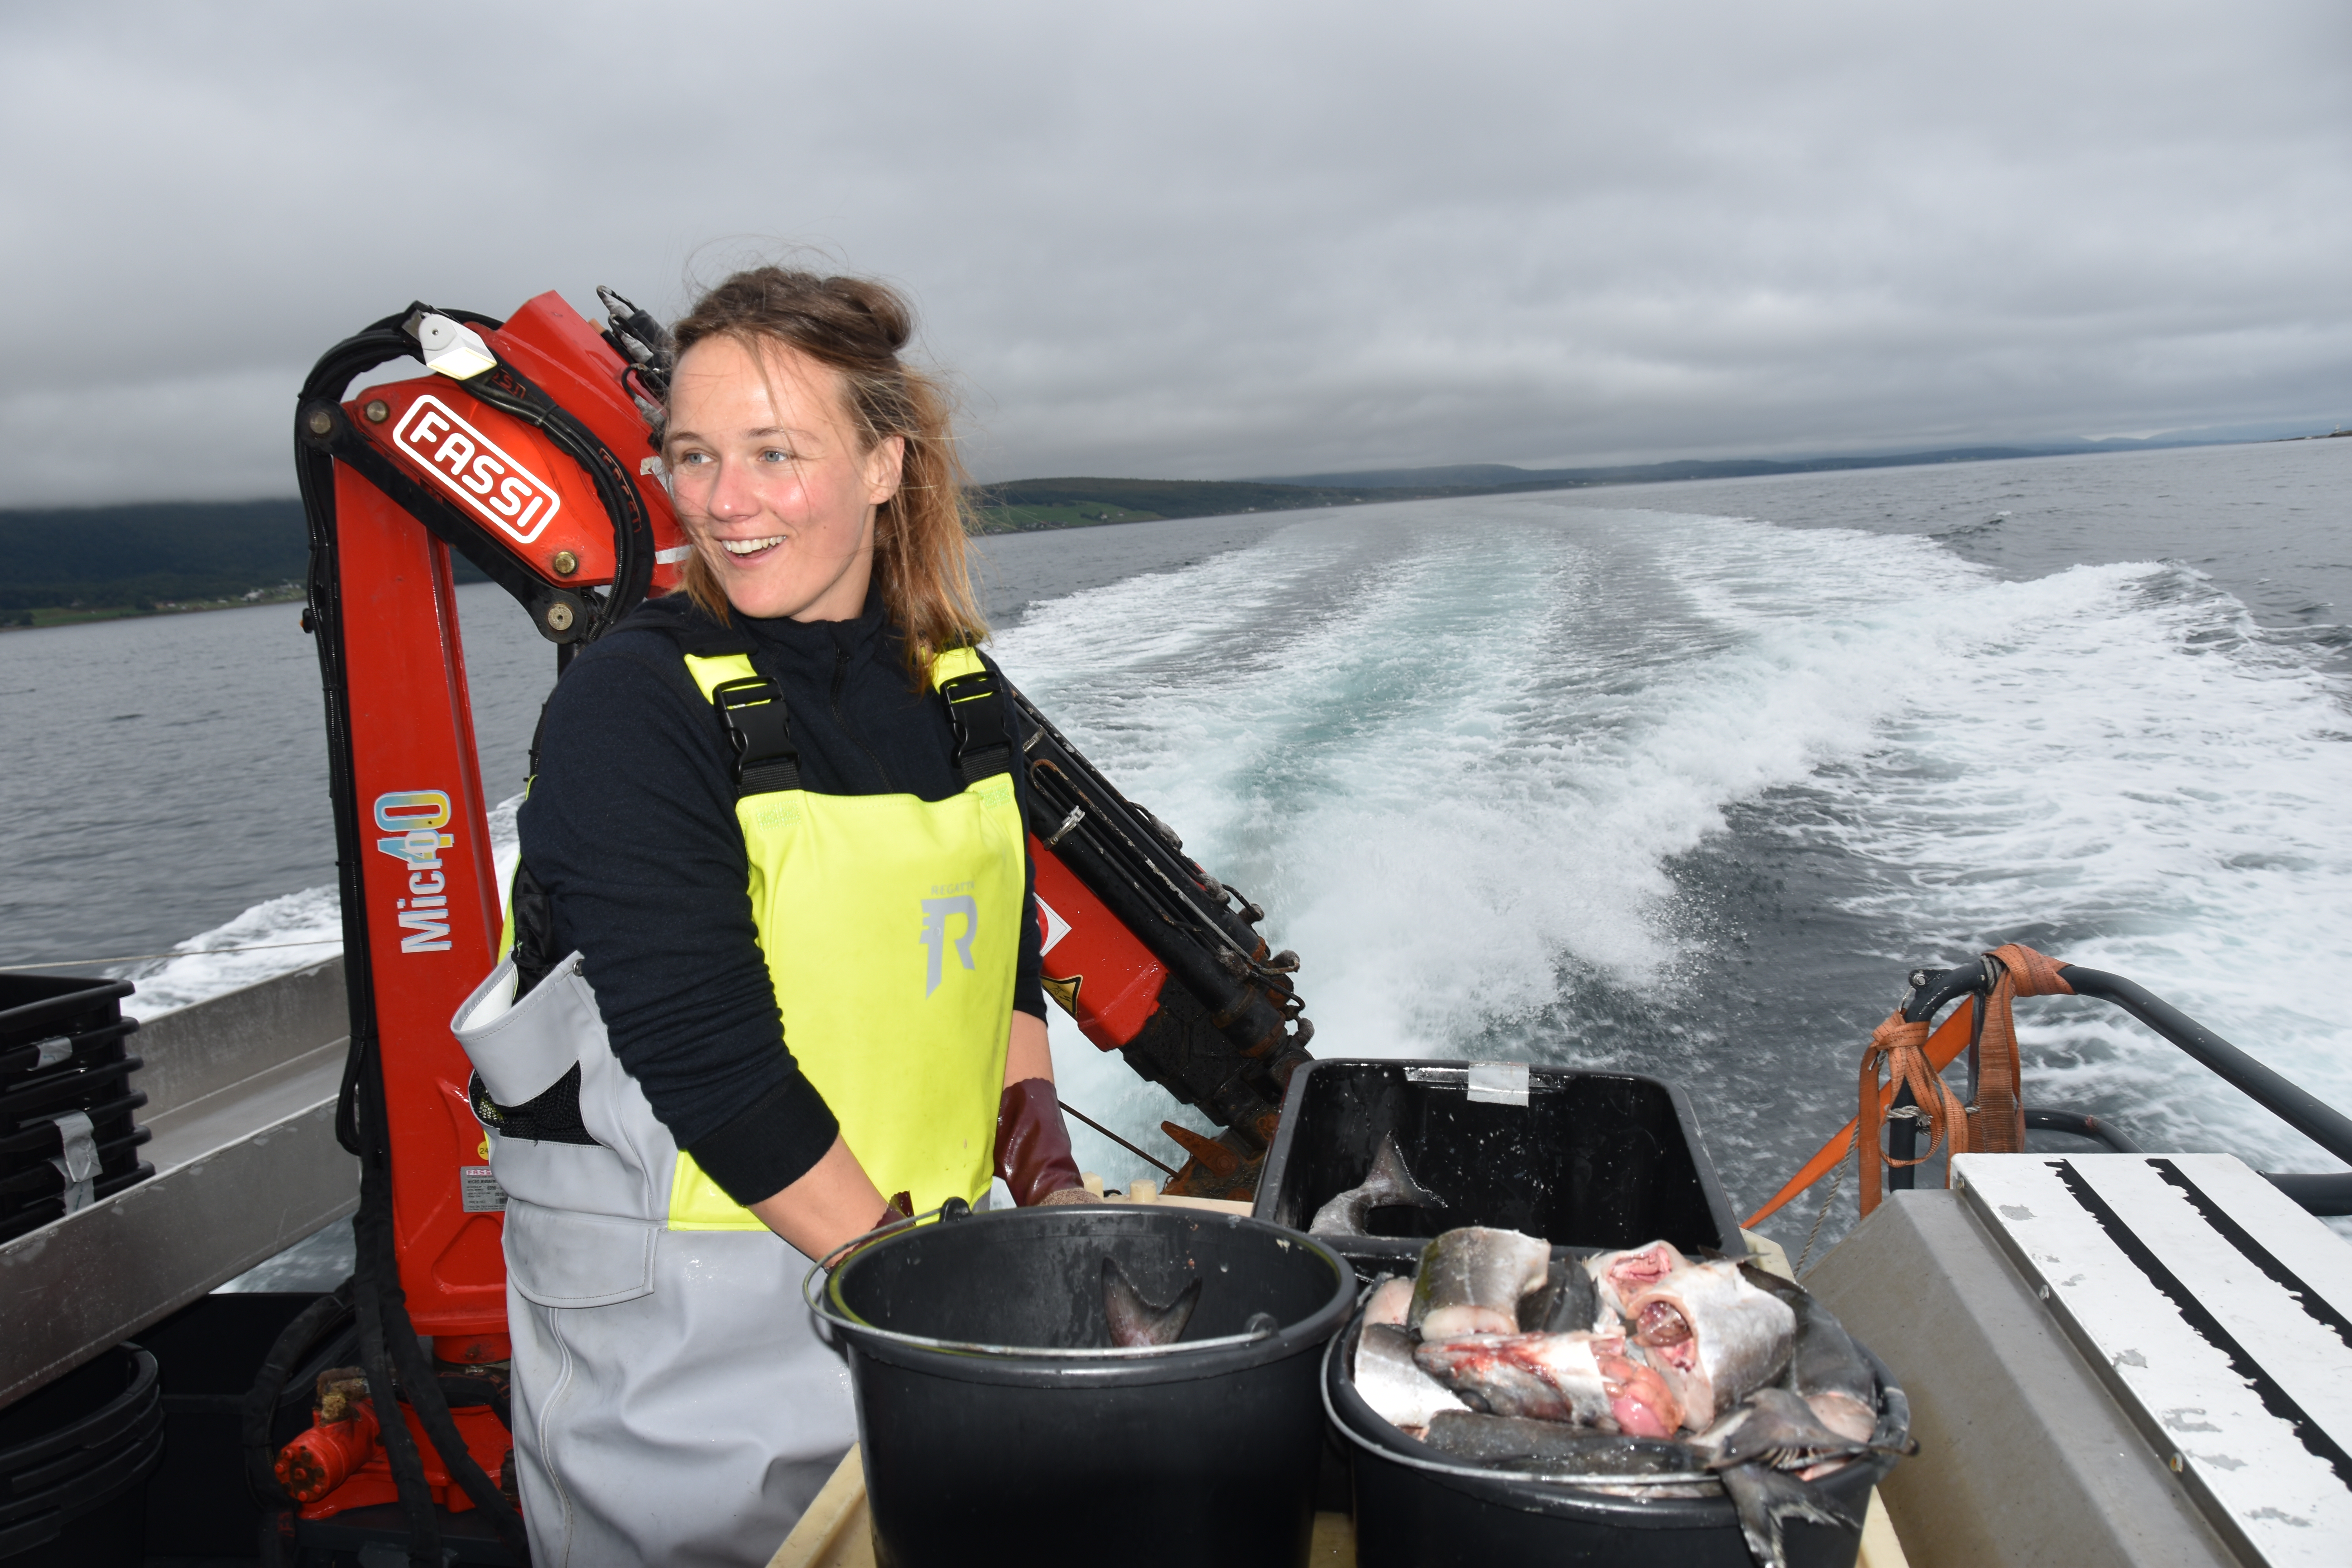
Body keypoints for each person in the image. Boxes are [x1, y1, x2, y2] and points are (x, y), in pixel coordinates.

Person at [449, 265, 1092, 1567]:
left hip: (915, 1280)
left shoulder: (960, 690)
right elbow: (705, 1051)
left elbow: (998, 952)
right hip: (688, 1351)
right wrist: (929, 1305)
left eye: (774, 454)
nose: (724, 504)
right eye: (693, 456)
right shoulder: (635, 709)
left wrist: (1049, 1179)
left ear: (883, 464)